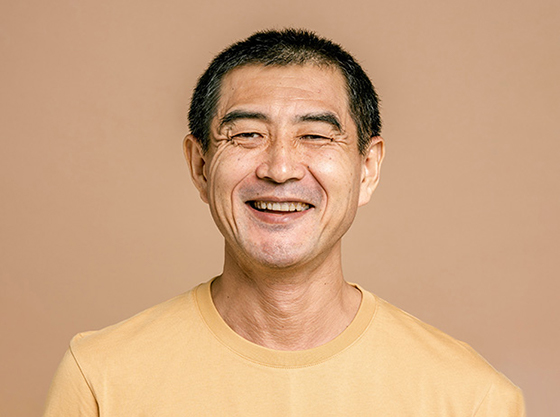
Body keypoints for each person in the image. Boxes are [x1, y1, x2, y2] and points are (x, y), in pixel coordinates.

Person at [44, 29, 525, 416]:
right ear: (200, 165)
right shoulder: (100, 378)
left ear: (368, 167)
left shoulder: (471, 399)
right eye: (247, 134)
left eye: (316, 135)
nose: (280, 168)